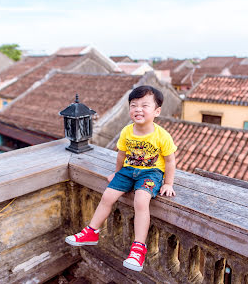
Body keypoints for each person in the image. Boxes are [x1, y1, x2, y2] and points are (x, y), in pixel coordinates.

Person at [65, 85, 177, 272]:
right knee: (107, 196)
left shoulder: (162, 136)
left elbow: (170, 161)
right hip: (127, 170)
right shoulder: (127, 131)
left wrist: (168, 183)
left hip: (151, 173)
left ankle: (138, 249)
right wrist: (117, 173)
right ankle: (91, 232)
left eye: (144, 105)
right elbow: (121, 155)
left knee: (141, 201)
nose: (138, 109)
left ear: (157, 111)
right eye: (134, 105)